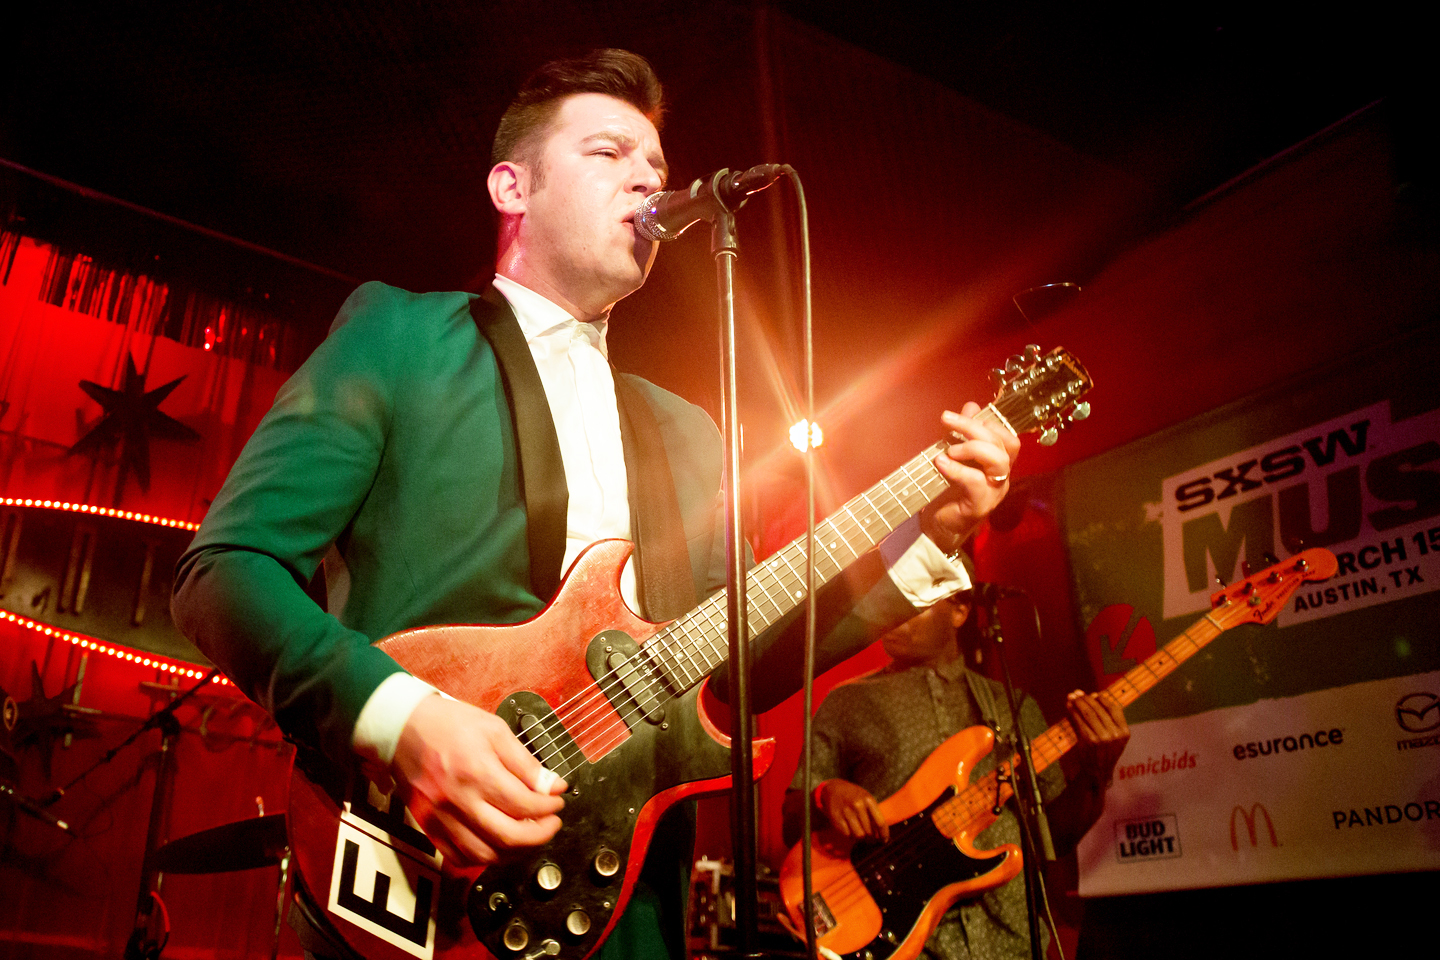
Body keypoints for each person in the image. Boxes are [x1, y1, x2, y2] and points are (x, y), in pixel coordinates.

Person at [171, 49, 1018, 959]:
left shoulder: (689, 431)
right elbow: (226, 573)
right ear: (512, 188)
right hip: (417, 865)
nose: (649, 182)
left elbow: (732, 669)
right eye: (609, 154)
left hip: (628, 897)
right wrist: (400, 717)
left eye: (656, 168)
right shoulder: (400, 337)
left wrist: (928, 538)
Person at [783, 591, 1130, 960]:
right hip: (903, 945)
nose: (890, 613)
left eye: (910, 602)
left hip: (1009, 941)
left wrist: (1097, 770)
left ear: (960, 610)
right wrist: (826, 793)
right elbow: (792, 821)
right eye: (890, 599)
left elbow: (1055, 839)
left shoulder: (1011, 705)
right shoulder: (845, 704)